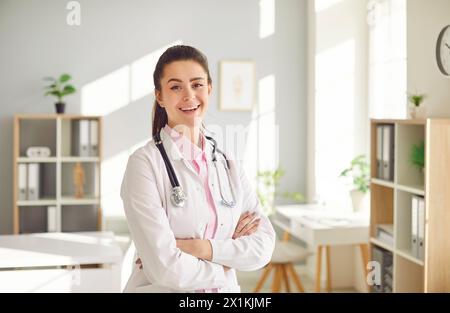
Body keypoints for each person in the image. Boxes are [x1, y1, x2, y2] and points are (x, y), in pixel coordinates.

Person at [120, 45, 275, 293]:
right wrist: (226, 265)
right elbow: (166, 269)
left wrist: (201, 248)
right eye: (175, 87)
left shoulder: (228, 163)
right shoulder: (144, 164)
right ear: (159, 96)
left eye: (197, 84)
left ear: (209, 89)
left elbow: (263, 246)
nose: (189, 95)